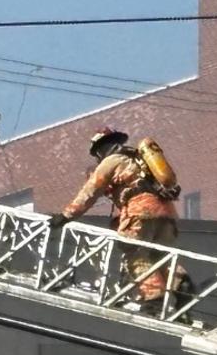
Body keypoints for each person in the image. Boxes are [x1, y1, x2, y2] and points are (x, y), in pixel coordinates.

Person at [48, 127, 190, 307]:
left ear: (101, 148)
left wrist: (65, 216)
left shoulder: (111, 161)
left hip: (140, 211)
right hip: (167, 213)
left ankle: (154, 298)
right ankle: (181, 282)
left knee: (135, 255)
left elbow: (89, 192)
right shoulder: (138, 160)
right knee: (158, 256)